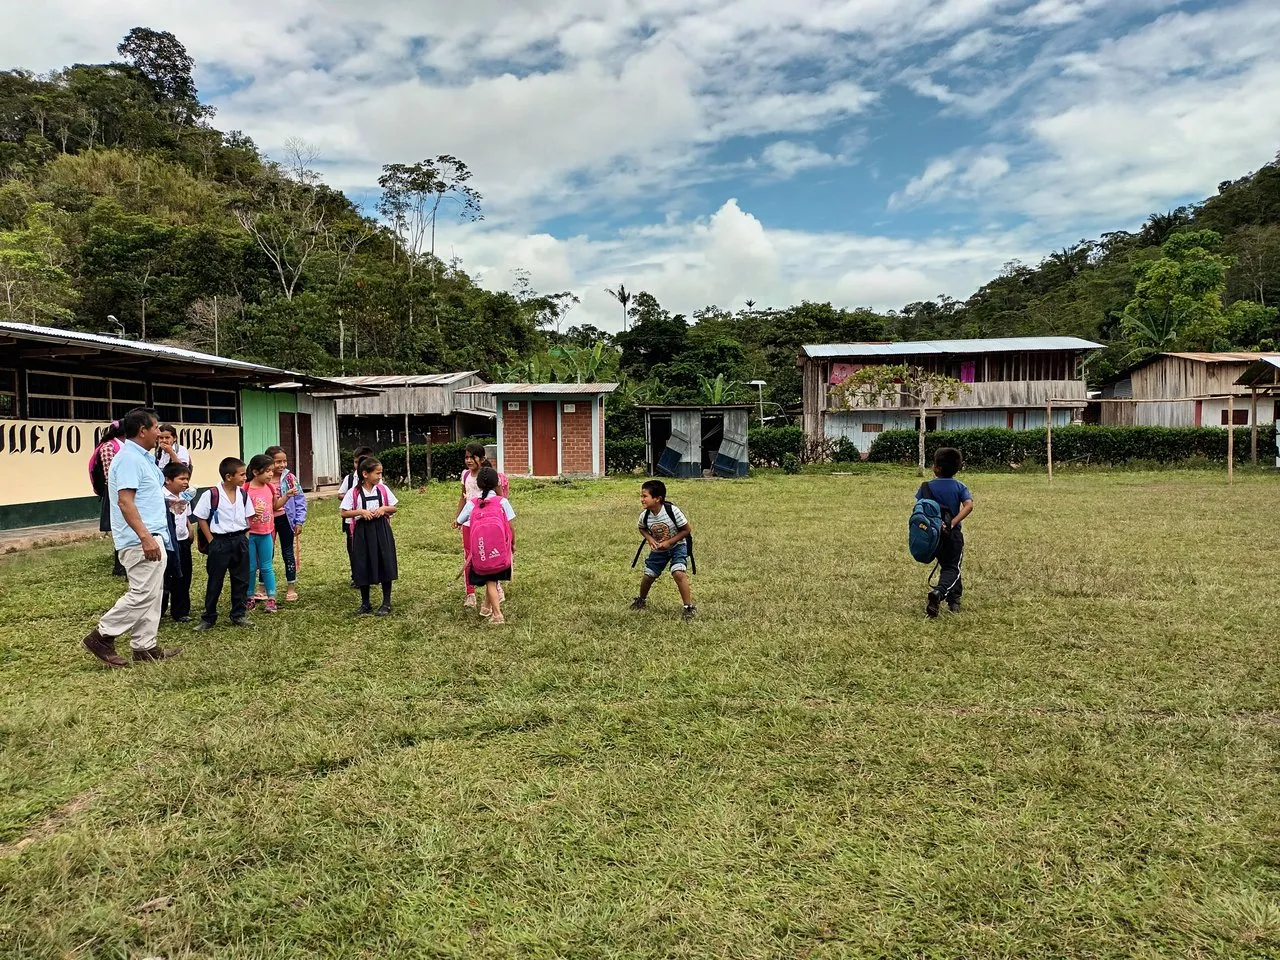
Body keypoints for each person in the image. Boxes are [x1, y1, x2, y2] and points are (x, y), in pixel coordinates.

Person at [82, 407, 182, 667]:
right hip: (140, 539)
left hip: (153, 534)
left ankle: (145, 646)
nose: (160, 432)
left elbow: (146, 496)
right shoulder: (128, 459)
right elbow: (125, 502)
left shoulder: (144, 458)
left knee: (153, 593)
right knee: (142, 593)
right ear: (142, 430)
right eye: (156, 427)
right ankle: (102, 636)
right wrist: (145, 537)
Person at [193, 457, 252, 632]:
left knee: (241, 580)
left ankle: (238, 614)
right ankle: (209, 617)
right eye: (242, 474)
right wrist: (211, 540)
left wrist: (245, 537)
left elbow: (248, 517)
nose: (245, 477)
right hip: (219, 541)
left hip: (240, 540)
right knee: (215, 580)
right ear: (228, 477)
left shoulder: (243, 494)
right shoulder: (211, 494)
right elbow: (201, 517)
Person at [917, 446, 974, 619]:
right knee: (952, 567)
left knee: (947, 566)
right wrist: (952, 523)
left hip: (933, 537)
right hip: (952, 535)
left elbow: (919, 509)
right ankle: (940, 593)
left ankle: (954, 600)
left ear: (937, 468)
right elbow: (969, 506)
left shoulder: (926, 487)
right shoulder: (959, 486)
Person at [456, 465, 515, 624]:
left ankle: (497, 615)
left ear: (479, 484)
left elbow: (460, 520)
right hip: (501, 548)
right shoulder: (502, 501)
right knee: (493, 579)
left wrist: (457, 521)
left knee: (490, 581)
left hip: (482, 550)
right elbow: (510, 526)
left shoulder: (472, 504)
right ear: (497, 483)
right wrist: (512, 544)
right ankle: (487, 608)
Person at [630, 479, 696, 620]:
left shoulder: (672, 511)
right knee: (648, 575)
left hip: (678, 546)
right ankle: (641, 599)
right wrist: (650, 539)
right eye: (641, 496)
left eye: (645, 496)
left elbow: (686, 530)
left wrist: (669, 542)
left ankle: (688, 607)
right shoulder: (645, 516)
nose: (642, 499)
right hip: (659, 550)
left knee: (678, 572)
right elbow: (641, 528)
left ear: (657, 498)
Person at [453, 442, 509, 609]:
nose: (469, 460)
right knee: (469, 556)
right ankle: (470, 593)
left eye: (473, 457)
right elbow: (463, 497)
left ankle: (496, 588)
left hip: (488, 526)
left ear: (482, 459)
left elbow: (500, 498)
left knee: (490, 555)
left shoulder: (489, 476)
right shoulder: (465, 475)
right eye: (466, 457)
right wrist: (458, 517)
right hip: (469, 524)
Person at [340, 456, 398, 616]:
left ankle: (386, 603)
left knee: (385, 561)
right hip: (362, 531)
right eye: (377, 473)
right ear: (365, 474)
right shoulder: (354, 492)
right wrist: (360, 512)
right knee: (362, 563)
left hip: (382, 529)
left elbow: (394, 508)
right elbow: (344, 513)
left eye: (381, 473)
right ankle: (365, 603)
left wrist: (384, 509)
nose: (380, 476)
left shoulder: (383, 489)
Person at [266, 445, 307, 602]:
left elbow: (300, 499)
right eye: (278, 462)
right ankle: (262, 588)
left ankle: (291, 587)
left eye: (284, 461)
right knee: (266, 553)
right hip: (266, 521)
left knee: (288, 552)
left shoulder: (290, 478)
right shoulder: (263, 479)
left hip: (285, 519)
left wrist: (299, 521)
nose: (282, 465)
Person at [244, 454, 283, 613]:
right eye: (267, 471)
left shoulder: (270, 488)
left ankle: (271, 599)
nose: (271, 474)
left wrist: (287, 496)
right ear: (255, 472)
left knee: (267, 567)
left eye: (272, 471)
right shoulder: (245, 489)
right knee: (251, 567)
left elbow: (275, 506)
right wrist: (252, 512)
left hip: (267, 533)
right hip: (250, 534)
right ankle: (249, 597)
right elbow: (239, 512)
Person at [89, 421, 126, 576]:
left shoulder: (123, 446)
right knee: (120, 527)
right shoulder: (109, 447)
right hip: (115, 492)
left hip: (124, 492)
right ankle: (119, 566)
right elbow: (110, 474)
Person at [161, 462, 195, 623]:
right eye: (181, 479)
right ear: (168, 480)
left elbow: (185, 515)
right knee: (164, 578)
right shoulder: (160, 496)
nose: (185, 482)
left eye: (187, 479)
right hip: (167, 543)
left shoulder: (185, 496)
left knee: (184, 576)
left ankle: (180, 611)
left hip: (183, 541)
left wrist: (190, 529)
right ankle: (158, 610)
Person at [339, 446, 374, 587]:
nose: (358, 465)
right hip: (351, 521)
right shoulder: (349, 479)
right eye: (356, 462)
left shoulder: (376, 479)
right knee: (354, 549)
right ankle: (357, 576)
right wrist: (352, 499)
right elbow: (340, 494)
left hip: (371, 520)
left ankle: (371, 574)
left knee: (370, 548)